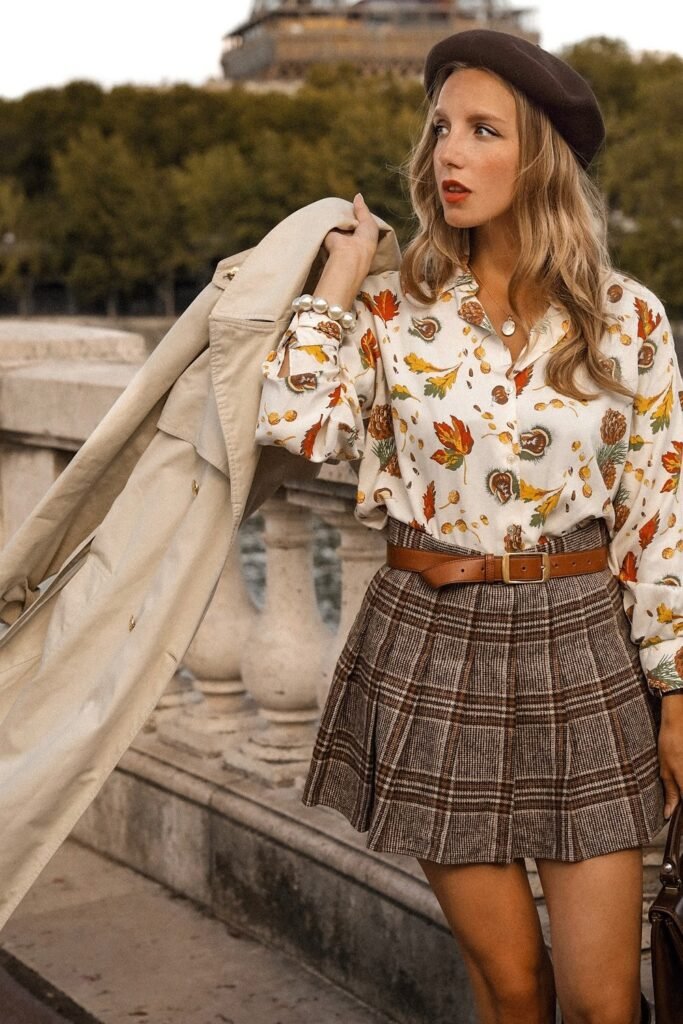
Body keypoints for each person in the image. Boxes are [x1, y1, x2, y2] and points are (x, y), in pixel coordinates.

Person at [254, 29, 683, 1024]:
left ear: (540, 159)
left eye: (482, 130)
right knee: (512, 985)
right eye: (440, 127)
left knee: (603, 1000)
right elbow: (298, 425)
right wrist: (338, 279)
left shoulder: (625, 318)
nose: (448, 150)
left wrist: (676, 692)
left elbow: (659, 516)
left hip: (582, 644)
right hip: (431, 643)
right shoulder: (389, 310)